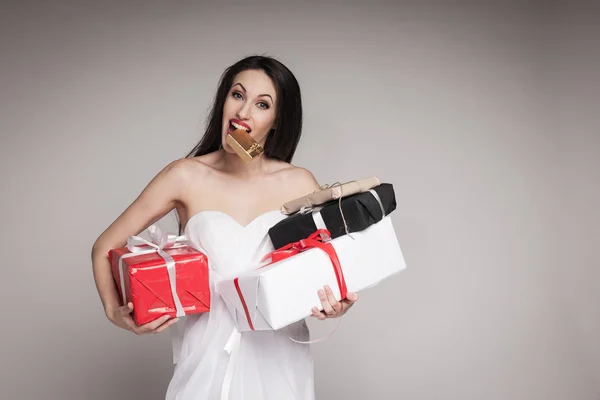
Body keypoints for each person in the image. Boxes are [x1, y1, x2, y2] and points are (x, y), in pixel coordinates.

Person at [91, 55, 359, 399]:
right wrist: (115, 313)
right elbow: (104, 248)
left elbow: (328, 267)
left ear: (277, 120)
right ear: (223, 102)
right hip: (206, 357)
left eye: (262, 104)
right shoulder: (185, 176)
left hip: (280, 359)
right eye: (237, 95)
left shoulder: (299, 183)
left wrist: (335, 302)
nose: (244, 112)